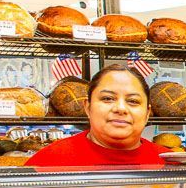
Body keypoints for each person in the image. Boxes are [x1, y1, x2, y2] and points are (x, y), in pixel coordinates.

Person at [25, 65, 168, 168]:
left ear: (147, 113)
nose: (120, 108)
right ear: (88, 107)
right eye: (107, 98)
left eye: (133, 101)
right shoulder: (49, 161)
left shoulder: (171, 164)